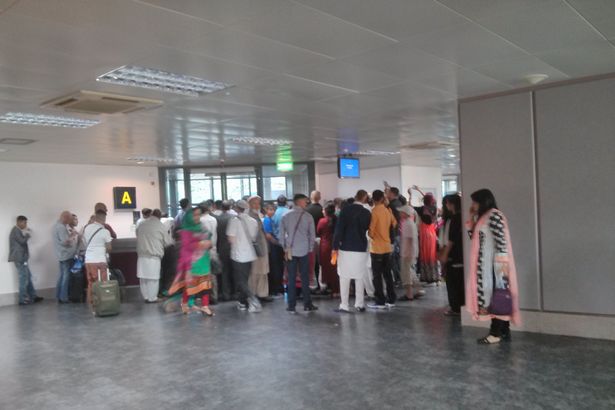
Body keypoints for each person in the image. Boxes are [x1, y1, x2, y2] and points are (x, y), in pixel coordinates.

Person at [466, 189, 520, 344]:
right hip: (486, 266)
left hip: (493, 267)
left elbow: (501, 242)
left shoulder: (494, 215)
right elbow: (474, 238)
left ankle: (495, 333)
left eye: (475, 202)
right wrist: (471, 217)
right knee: (497, 297)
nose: (473, 205)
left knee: (496, 296)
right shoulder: (484, 217)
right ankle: (503, 331)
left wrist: (500, 271)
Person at [167, 208, 214, 316]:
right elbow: (186, 248)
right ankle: (184, 304)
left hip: (204, 262)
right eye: (194, 215)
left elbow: (210, 240)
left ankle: (205, 306)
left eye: (198, 215)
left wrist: (208, 244)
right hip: (191, 263)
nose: (197, 217)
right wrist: (201, 244)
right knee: (189, 287)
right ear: (189, 217)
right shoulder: (185, 231)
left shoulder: (202, 227)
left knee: (205, 286)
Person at [332, 190, 371, 313]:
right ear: (364, 198)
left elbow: (339, 230)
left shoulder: (345, 211)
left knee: (344, 276)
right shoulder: (367, 213)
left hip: (346, 247)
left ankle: (344, 304)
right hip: (361, 247)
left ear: (355, 197)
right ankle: (360, 304)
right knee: (360, 276)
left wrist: (334, 247)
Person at [280, 193, 317, 314]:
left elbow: (281, 235)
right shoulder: (308, 217)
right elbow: (312, 235)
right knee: (305, 277)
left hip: (290, 251)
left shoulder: (285, 216)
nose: (306, 203)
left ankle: (291, 305)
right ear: (300, 202)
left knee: (291, 278)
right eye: (305, 201)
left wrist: (285, 247)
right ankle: (307, 303)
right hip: (304, 250)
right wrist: (310, 248)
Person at [227, 200, 262, 313]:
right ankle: (242, 302)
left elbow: (231, 239)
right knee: (244, 279)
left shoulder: (234, 221)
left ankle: (253, 300)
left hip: (238, 255)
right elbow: (253, 237)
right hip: (250, 254)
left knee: (240, 281)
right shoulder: (253, 221)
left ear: (237, 208)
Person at [368, 190, 397, 309]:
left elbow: (371, 231)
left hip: (376, 248)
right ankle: (391, 298)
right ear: (381, 198)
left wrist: (372, 235)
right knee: (388, 274)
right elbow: (394, 223)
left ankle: (380, 300)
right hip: (387, 246)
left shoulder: (374, 212)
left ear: (374, 199)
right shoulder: (387, 210)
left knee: (377, 276)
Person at [136, 209, 173, 303]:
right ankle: (152, 298)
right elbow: (168, 242)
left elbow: (137, 235)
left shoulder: (141, 224)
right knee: (153, 278)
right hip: (154, 255)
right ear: (159, 216)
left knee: (143, 278)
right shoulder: (160, 226)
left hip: (141, 255)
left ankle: (146, 297)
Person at [439, 194, 464, 316]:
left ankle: (455, 307)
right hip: (460, 254)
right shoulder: (461, 217)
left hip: (453, 255)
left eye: (447, 203)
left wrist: (445, 254)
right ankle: (459, 306)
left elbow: (451, 240)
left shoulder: (454, 219)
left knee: (453, 282)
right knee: (458, 281)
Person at [9, 216, 43, 305]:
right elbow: (22, 241)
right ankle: (22, 299)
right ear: (19, 222)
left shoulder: (18, 231)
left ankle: (33, 296)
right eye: (24, 223)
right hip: (19, 258)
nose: (25, 225)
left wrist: (26, 233)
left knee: (28, 277)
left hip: (22, 258)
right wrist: (27, 234)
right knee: (23, 279)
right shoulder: (15, 230)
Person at [83, 209, 113, 305]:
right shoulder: (105, 231)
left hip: (88, 260)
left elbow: (84, 243)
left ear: (95, 217)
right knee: (102, 283)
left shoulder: (86, 228)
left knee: (91, 282)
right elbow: (109, 248)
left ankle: (91, 303)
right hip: (100, 260)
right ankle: (103, 304)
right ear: (104, 218)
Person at [411, 186, 439, 283]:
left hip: (424, 232)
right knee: (432, 253)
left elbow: (411, 206)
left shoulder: (422, 209)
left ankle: (426, 276)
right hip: (432, 231)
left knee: (425, 253)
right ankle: (434, 276)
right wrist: (420, 191)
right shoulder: (435, 208)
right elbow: (429, 200)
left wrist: (411, 194)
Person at [247, 196, 272, 303]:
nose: (257, 206)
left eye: (258, 203)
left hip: (261, 247)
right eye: (255, 203)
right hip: (256, 248)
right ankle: (254, 293)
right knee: (255, 272)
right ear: (249, 204)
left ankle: (262, 293)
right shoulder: (249, 216)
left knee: (262, 271)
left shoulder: (257, 215)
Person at [397, 205, 423, 301]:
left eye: (401, 212)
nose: (399, 213)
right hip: (409, 252)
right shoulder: (410, 223)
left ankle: (409, 294)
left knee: (406, 273)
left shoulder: (407, 224)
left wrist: (408, 253)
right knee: (411, 272)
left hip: (407, 253)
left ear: (405, 213)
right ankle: (417, 290)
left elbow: (410, 240)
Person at [53, 210, 76, 304]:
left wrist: (69, 235)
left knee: (62, 276)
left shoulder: (55, 226)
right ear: (65, 218)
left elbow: (62, 240)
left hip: (61, 255)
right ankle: (64, 298)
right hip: (65, 255)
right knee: (65, 277)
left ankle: (59, 295)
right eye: (69, 219)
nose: (69, 222)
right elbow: (65, 242)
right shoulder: (61, 228)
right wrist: (73, 236)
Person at [316, 202, 339, 296]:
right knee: (335, 267)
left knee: (325, 267)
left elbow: (318, 231)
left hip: (325, 247)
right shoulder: (337, 220)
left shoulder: (322, 221)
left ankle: (326, 287)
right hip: (335, 247)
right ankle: (335, 289)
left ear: (325, 211)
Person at [270, 195, 290, 297]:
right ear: (286, 202)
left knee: (277, 266)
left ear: (277, 202)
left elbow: (272, 230)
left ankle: (279, 288)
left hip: (277, 243)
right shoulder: (289, 213)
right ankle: (291, 286)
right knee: (291, 265)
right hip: (289, 244)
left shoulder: (274, 214)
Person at [215, 201, 234, 301]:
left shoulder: (217, 219)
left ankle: (225, 293)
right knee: (234, 271)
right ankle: (234, 293)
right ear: (230, 207)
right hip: (233, 248)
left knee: (224, 272)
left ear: (221, 208)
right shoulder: (233, 218)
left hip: (222, 248)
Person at [306, 190, 324, 290]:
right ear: (319, 197)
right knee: (320, 263)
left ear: (310, 197)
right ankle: (322, 284)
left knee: (312, 263)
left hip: (310, 239)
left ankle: (312, 284)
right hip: (321, 239)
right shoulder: (322, 210)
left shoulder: (307, 210)